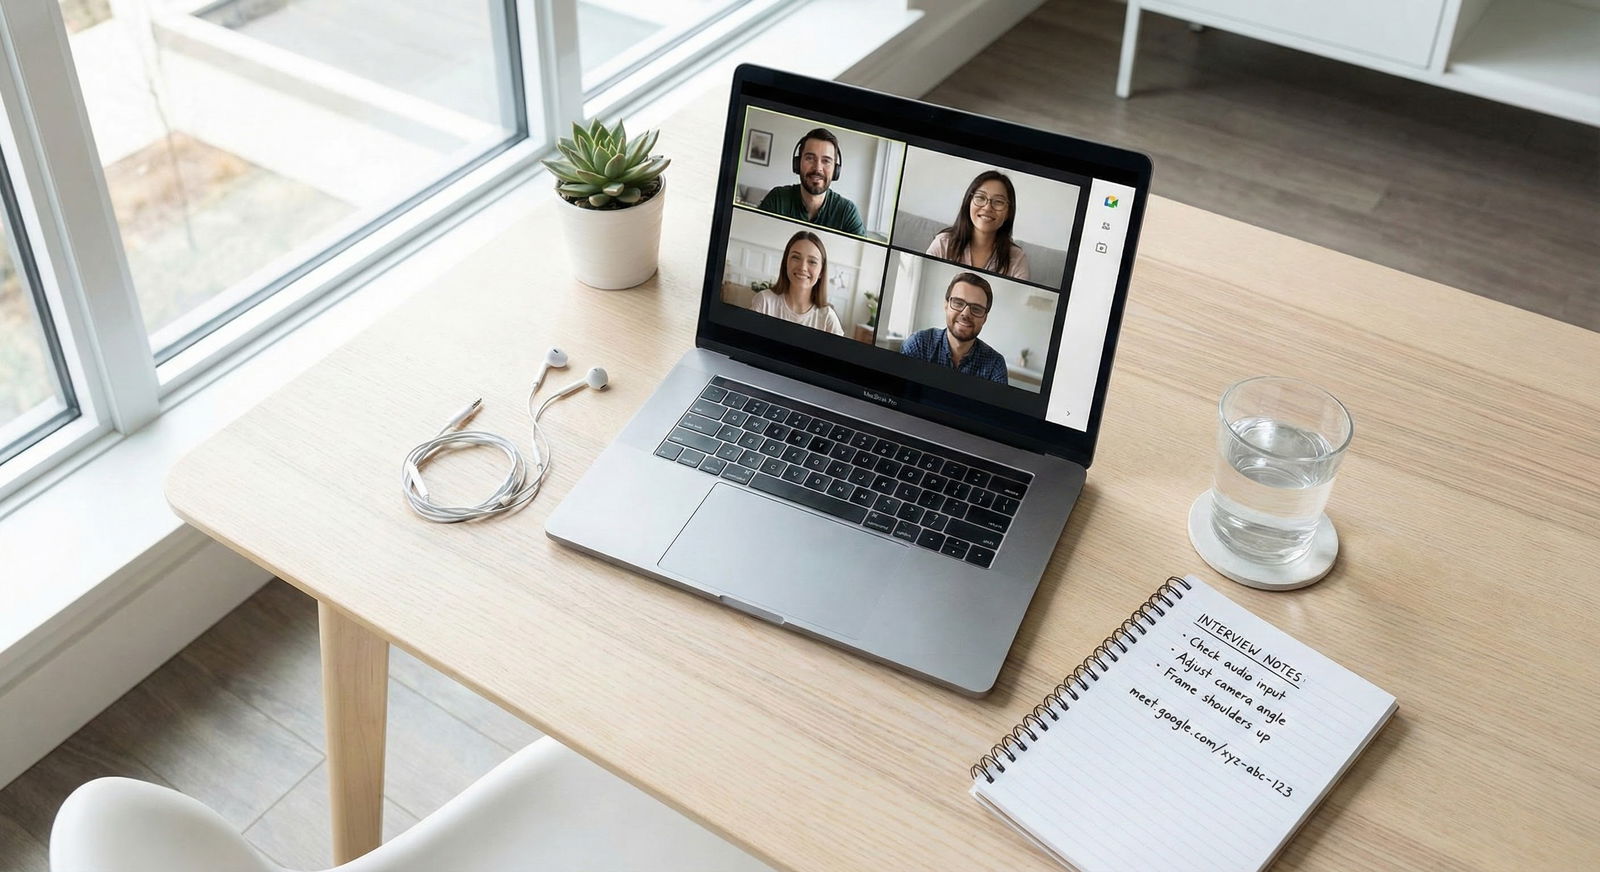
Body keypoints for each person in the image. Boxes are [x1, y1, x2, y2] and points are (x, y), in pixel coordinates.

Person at [899, 272, 1008, 384]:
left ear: (985, 318)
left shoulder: (995, 365)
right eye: (958, 303)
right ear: (946, 305)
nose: (965, 314)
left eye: (976, 309)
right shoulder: (918, 344)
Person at [757, 128, 866, 236]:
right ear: (798, 163)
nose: (817, 168)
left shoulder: (847, 212)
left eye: (826, 161)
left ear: (835, 170)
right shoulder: (777, 199)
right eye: (810, 158)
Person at [925, 171, 1030, 280]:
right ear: (969, 202)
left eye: (998, 201)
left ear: (1009, 212)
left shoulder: (1017, 259)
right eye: (980, 197)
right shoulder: (943, 244)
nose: (987, 207)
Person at [749, 230, 845, 336]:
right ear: (786, 263)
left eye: (812, 262)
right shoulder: (764, 301)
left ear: (821, 272)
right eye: (796, 257)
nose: (803, 267)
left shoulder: (828, 318)